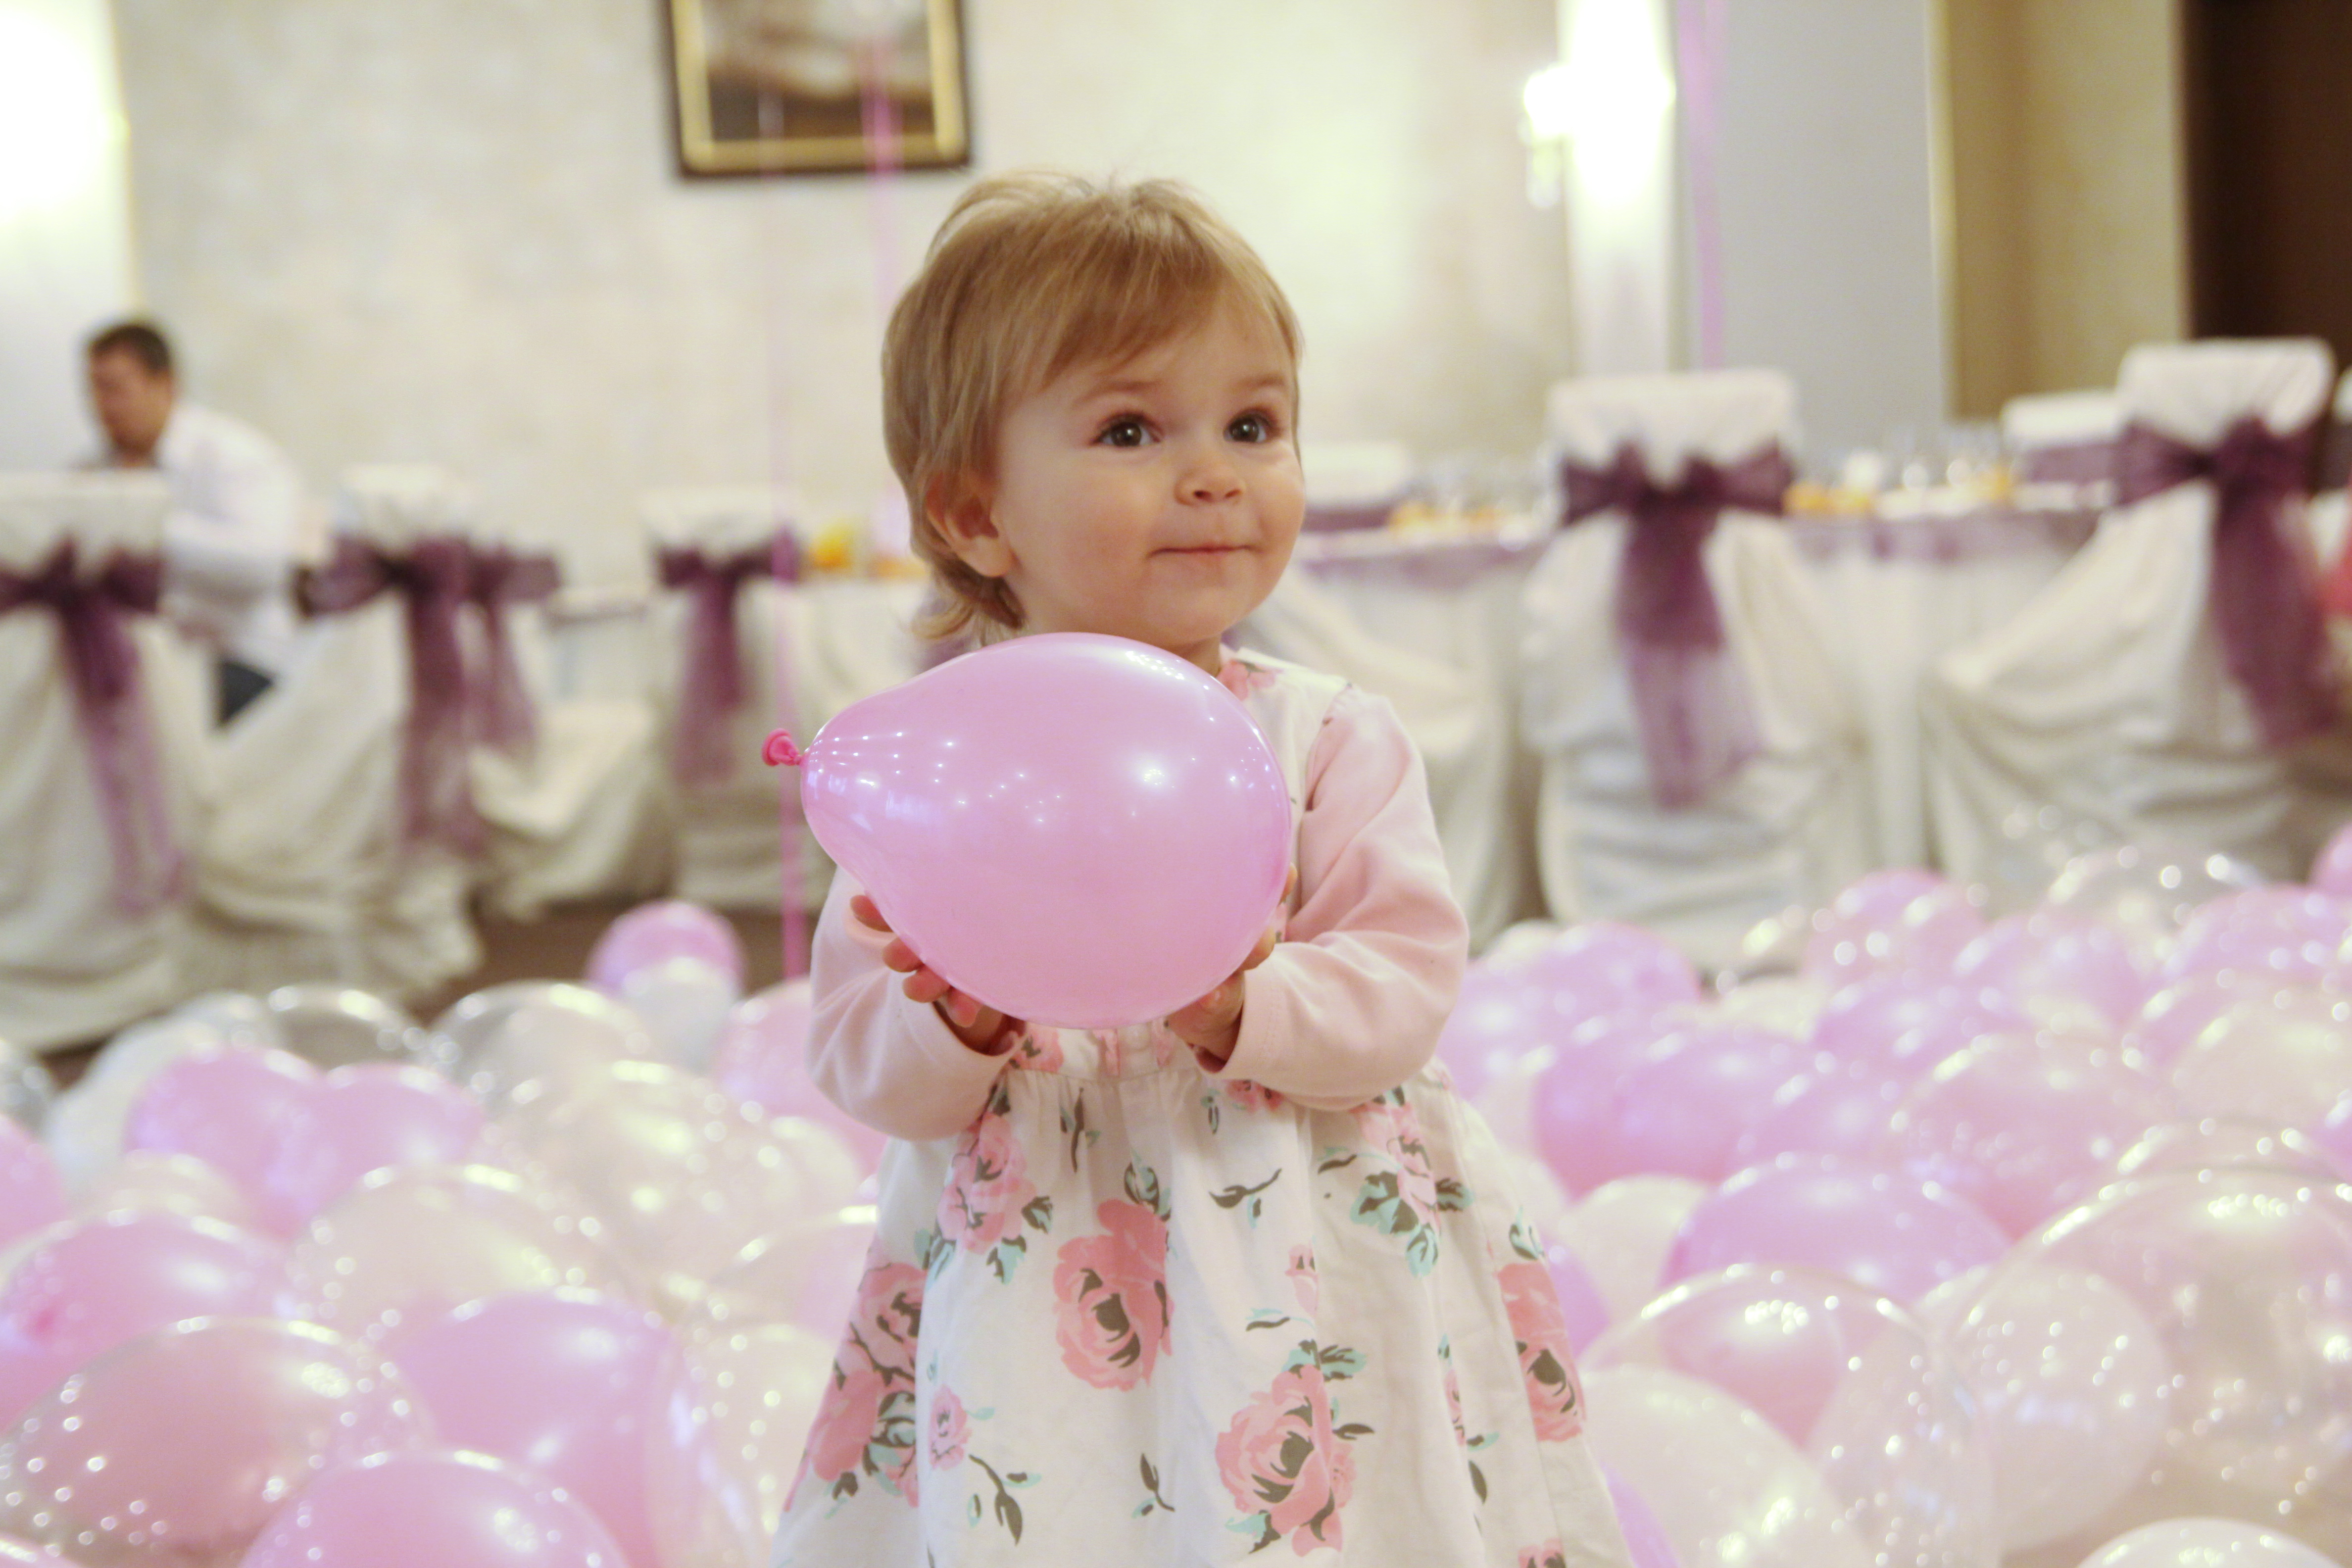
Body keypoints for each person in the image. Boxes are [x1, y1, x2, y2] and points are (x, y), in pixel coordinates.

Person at [771, 173, 1632, 1568]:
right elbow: (859, 1055)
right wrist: (953, 1023)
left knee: (1347, 1499)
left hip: (1303, 1221)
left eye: (1253, 425)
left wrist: (1250, 1002)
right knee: (1062, 1499)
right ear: (976, 513)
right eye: (1130, 430)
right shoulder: (947, 772)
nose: (1217, 473)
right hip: (1049, 1251)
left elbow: (1404, 983)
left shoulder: (1329, 737)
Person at [85, 319, 305, 723]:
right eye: (95, 389)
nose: (103, 406)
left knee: (141, 711)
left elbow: (263, 565)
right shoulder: (93, 471)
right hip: (141, 662)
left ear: (165, 385)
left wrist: (137, 526)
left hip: (239, 660)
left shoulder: (235, 454)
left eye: (115, 388)